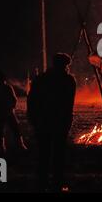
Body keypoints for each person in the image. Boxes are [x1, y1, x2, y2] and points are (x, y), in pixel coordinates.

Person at [27, 53, 76, 192]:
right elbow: (68, 104)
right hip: (59, 122)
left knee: (44, 153)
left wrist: (33, 118)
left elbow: (31, 100)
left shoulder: (40, 79)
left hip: (42, 121)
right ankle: (57, 183)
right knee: (58, 154)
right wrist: (67, 120)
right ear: (65, 65)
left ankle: (42, 182)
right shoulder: (68, 81)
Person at [0, 71, 27, 153]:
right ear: (4, 79)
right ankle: (20, 146)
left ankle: (1, 148)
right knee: (15, 129)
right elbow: (14, 99)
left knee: (0, 130)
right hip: (8, 112)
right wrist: (11, 107)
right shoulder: (7, 87)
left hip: (0, 112)